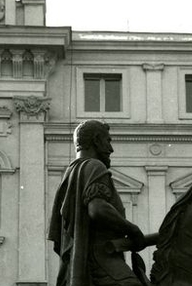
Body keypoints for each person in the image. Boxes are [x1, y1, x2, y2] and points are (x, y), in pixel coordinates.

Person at [48, 120, 146, 286]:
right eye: (108, 141)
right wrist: (133, 229)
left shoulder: (70, 173)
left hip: (82, 261)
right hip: (100, 259)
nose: (111, 149)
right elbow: (97, 209)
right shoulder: (95, 166)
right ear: (96, 140)